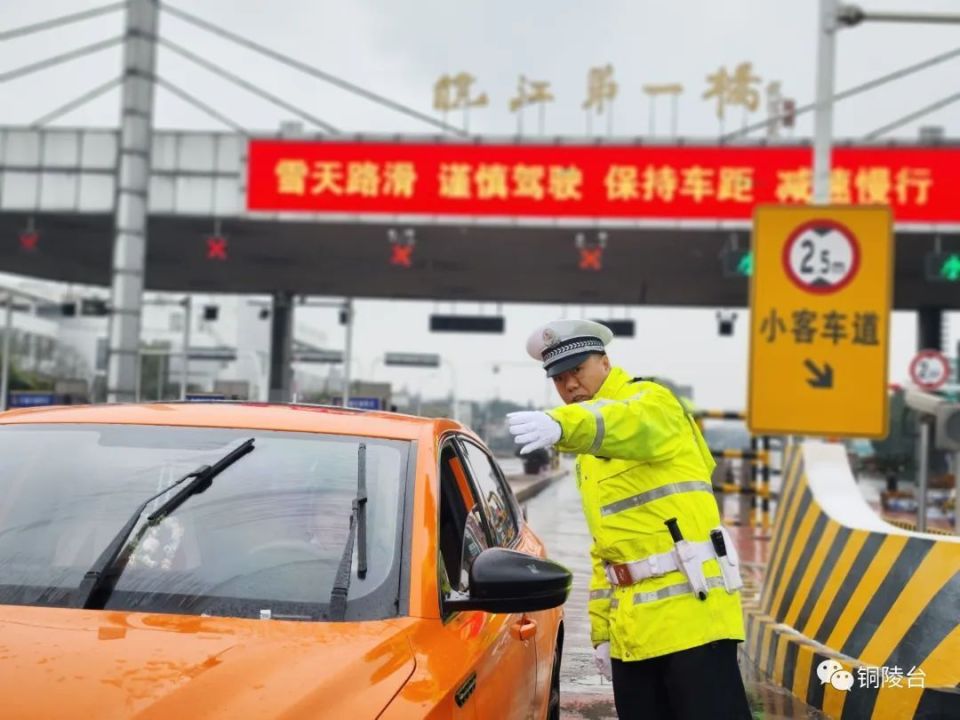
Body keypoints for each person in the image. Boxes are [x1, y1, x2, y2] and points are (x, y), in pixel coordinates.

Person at [507, 319, 751, 719]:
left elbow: (624, 421)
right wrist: (602, 634)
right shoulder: (590, 456)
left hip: (694, 622)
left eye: (578, 371)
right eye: (559, 378)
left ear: (604, 362)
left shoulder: (654, 404)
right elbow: (609, 549)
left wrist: (560, 423)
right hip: (632, 637)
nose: (570, 385)